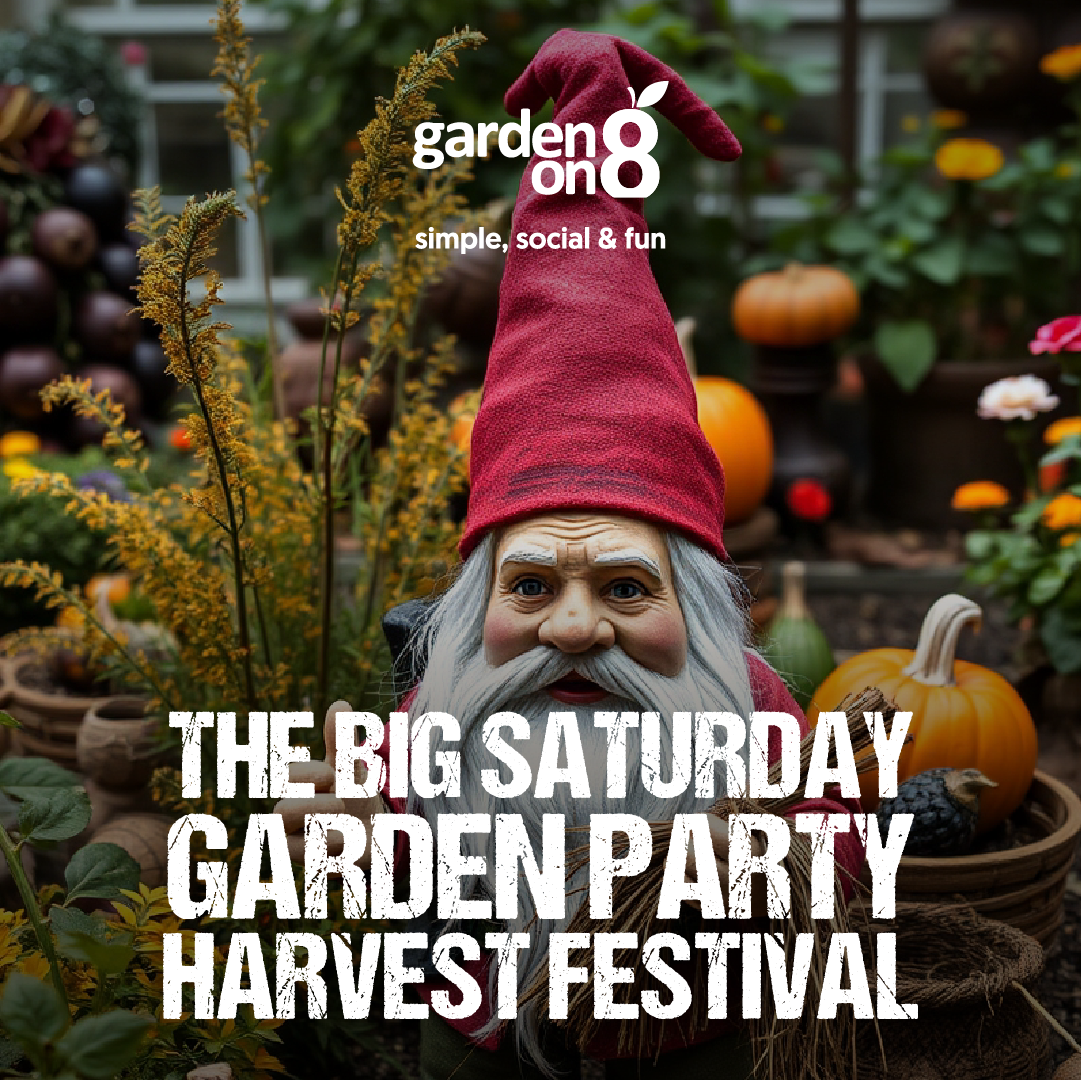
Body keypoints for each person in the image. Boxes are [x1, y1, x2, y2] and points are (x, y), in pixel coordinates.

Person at [277, 28, 865, 1079]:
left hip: (681, 1041)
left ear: (696, 604)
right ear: (474, 603)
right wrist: (338, 845)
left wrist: (779, 858)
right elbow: (365, 868)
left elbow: (843, 866)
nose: (578, 627)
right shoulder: (431, 725)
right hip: (478, 1034)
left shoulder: (758, 714)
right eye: (533, 584)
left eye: (628, 586)